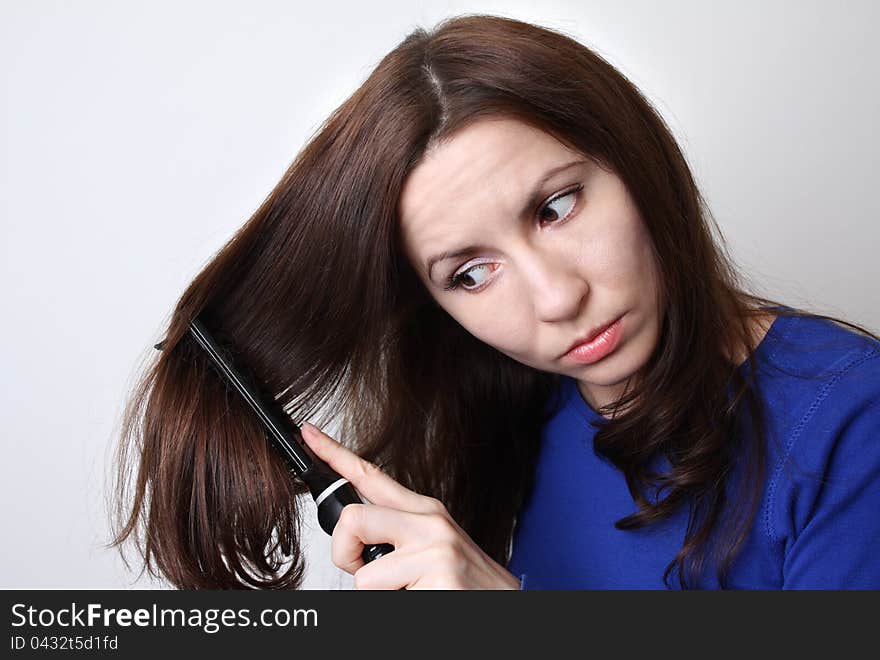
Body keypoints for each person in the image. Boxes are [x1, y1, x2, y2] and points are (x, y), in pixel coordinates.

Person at [111, 14, 880, 590]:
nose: (557, 299)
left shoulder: (849, 416)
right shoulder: (516, 407)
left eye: (555, 208)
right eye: (470, 274)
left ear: (636, 158)